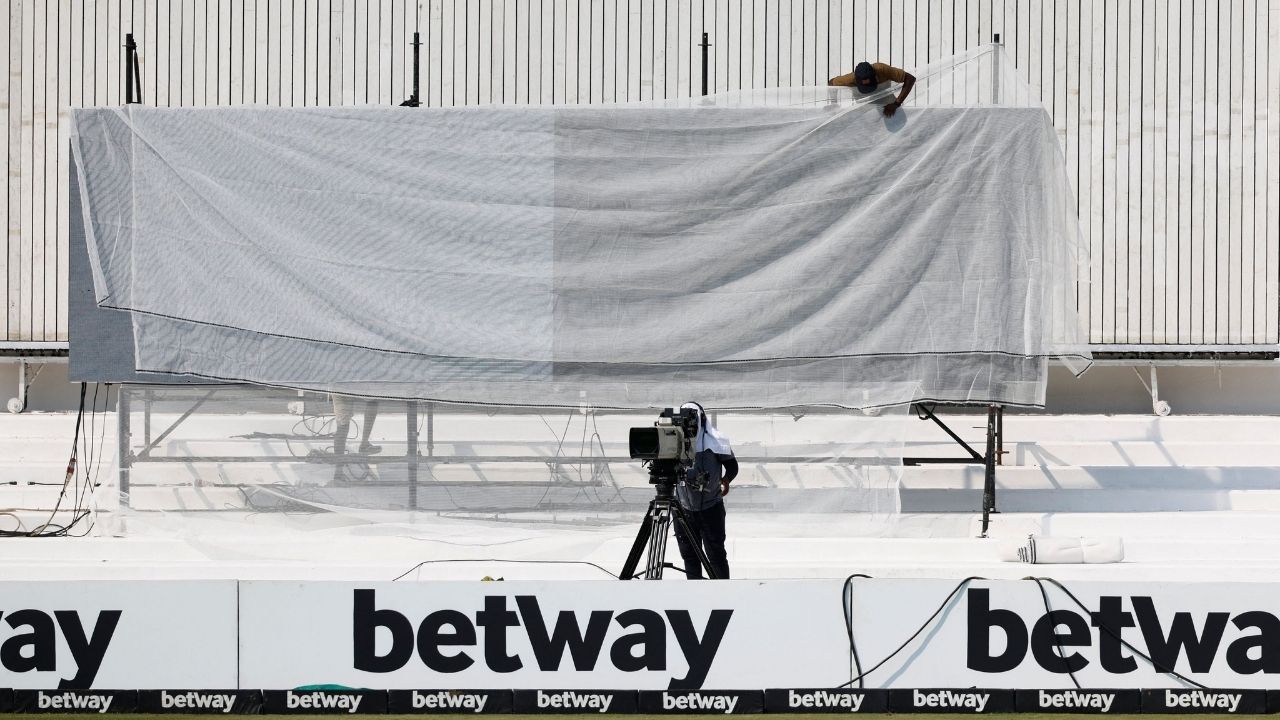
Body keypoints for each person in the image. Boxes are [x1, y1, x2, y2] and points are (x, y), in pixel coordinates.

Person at [673, 402, 738, 580]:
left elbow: (732, 466)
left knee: (715, 555)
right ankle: (695, 595)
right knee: (689, 556)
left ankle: (721, 594)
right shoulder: (673, 441)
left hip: (711, 507)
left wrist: (726, 480)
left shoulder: (715, 441)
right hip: (683, 509)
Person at [829, 61, 916, 117]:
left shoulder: (882, 69)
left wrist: (896, 104)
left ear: (875, 75)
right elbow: (831, 82)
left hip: (888, 108)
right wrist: (834, 104)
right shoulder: (850, 79)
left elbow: (910, 78)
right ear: (857, 79)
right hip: (864, 111)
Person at [331, 394, 380, 482]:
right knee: (343, 425)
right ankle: (338, 472)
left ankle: (364, 444)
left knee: (373, 402)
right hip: (340, 386)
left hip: (349, 384)